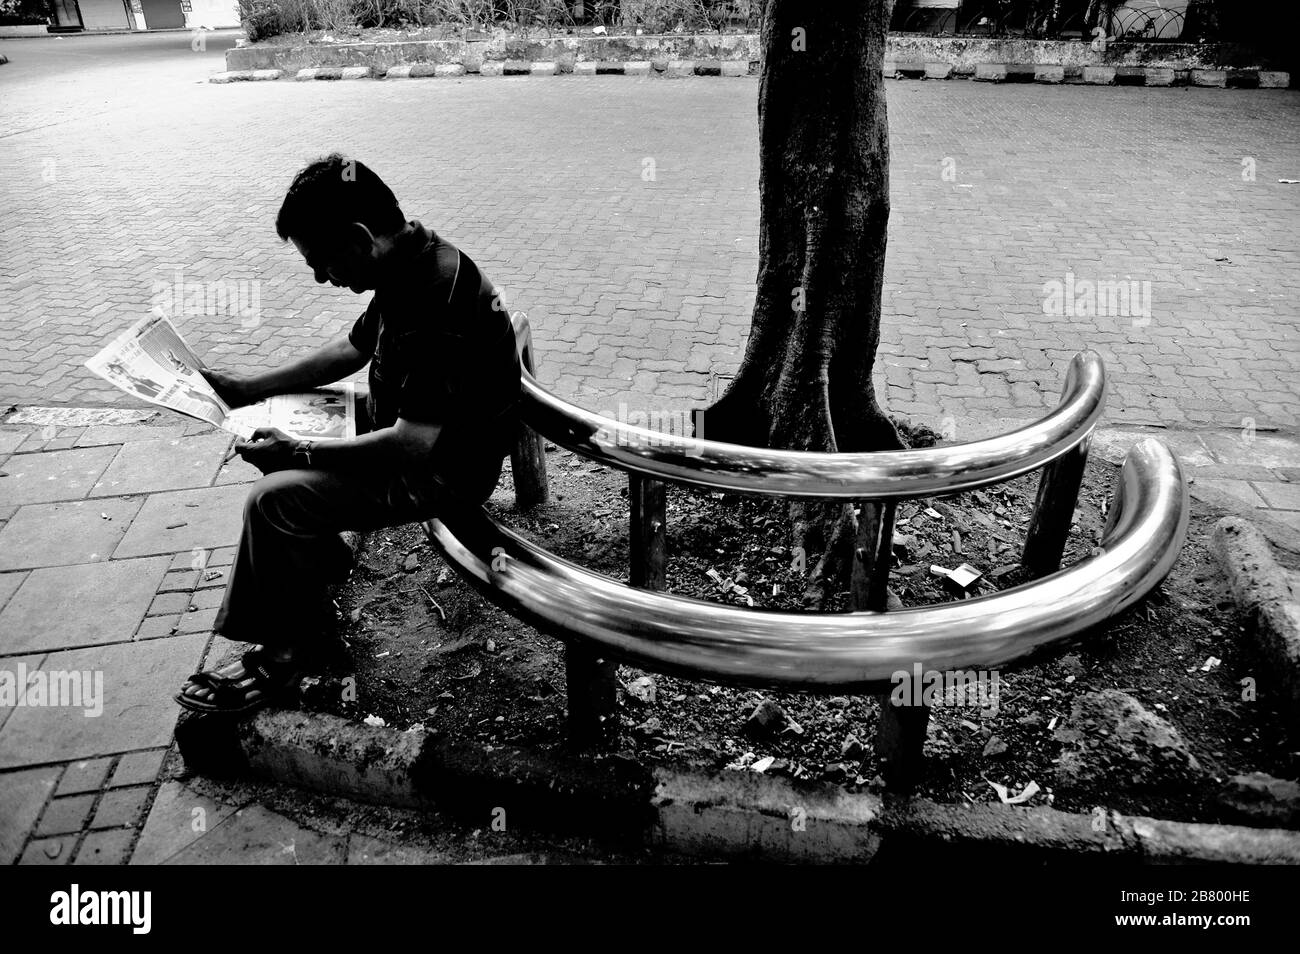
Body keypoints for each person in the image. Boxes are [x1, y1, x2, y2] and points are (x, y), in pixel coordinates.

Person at [175, 154, 521, 713]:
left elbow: (412, 447)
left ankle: (288, 654)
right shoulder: (413, 259)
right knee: (293, 422)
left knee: (273, 501)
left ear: (361, 238)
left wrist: (303, 449)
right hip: (410, 424)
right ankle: (315, 575)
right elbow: (352, 348)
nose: (319, 277)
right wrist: (250, 388)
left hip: (444, 469)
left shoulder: (434, 298)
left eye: (321, 261)